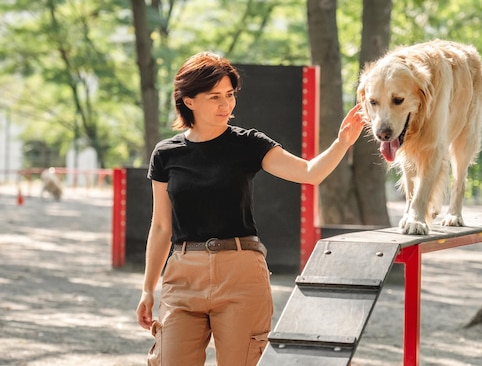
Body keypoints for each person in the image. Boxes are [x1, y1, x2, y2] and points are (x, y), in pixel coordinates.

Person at [135, 51, 365, 366]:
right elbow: (161, 226)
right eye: (214, 96)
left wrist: (342, 142)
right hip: (183, 277)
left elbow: (310, 174)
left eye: (229, 95)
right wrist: (148, 289)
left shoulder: (249, 144)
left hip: (241, 275)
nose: (225, 104)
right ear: (188, 101)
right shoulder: (166, 154)